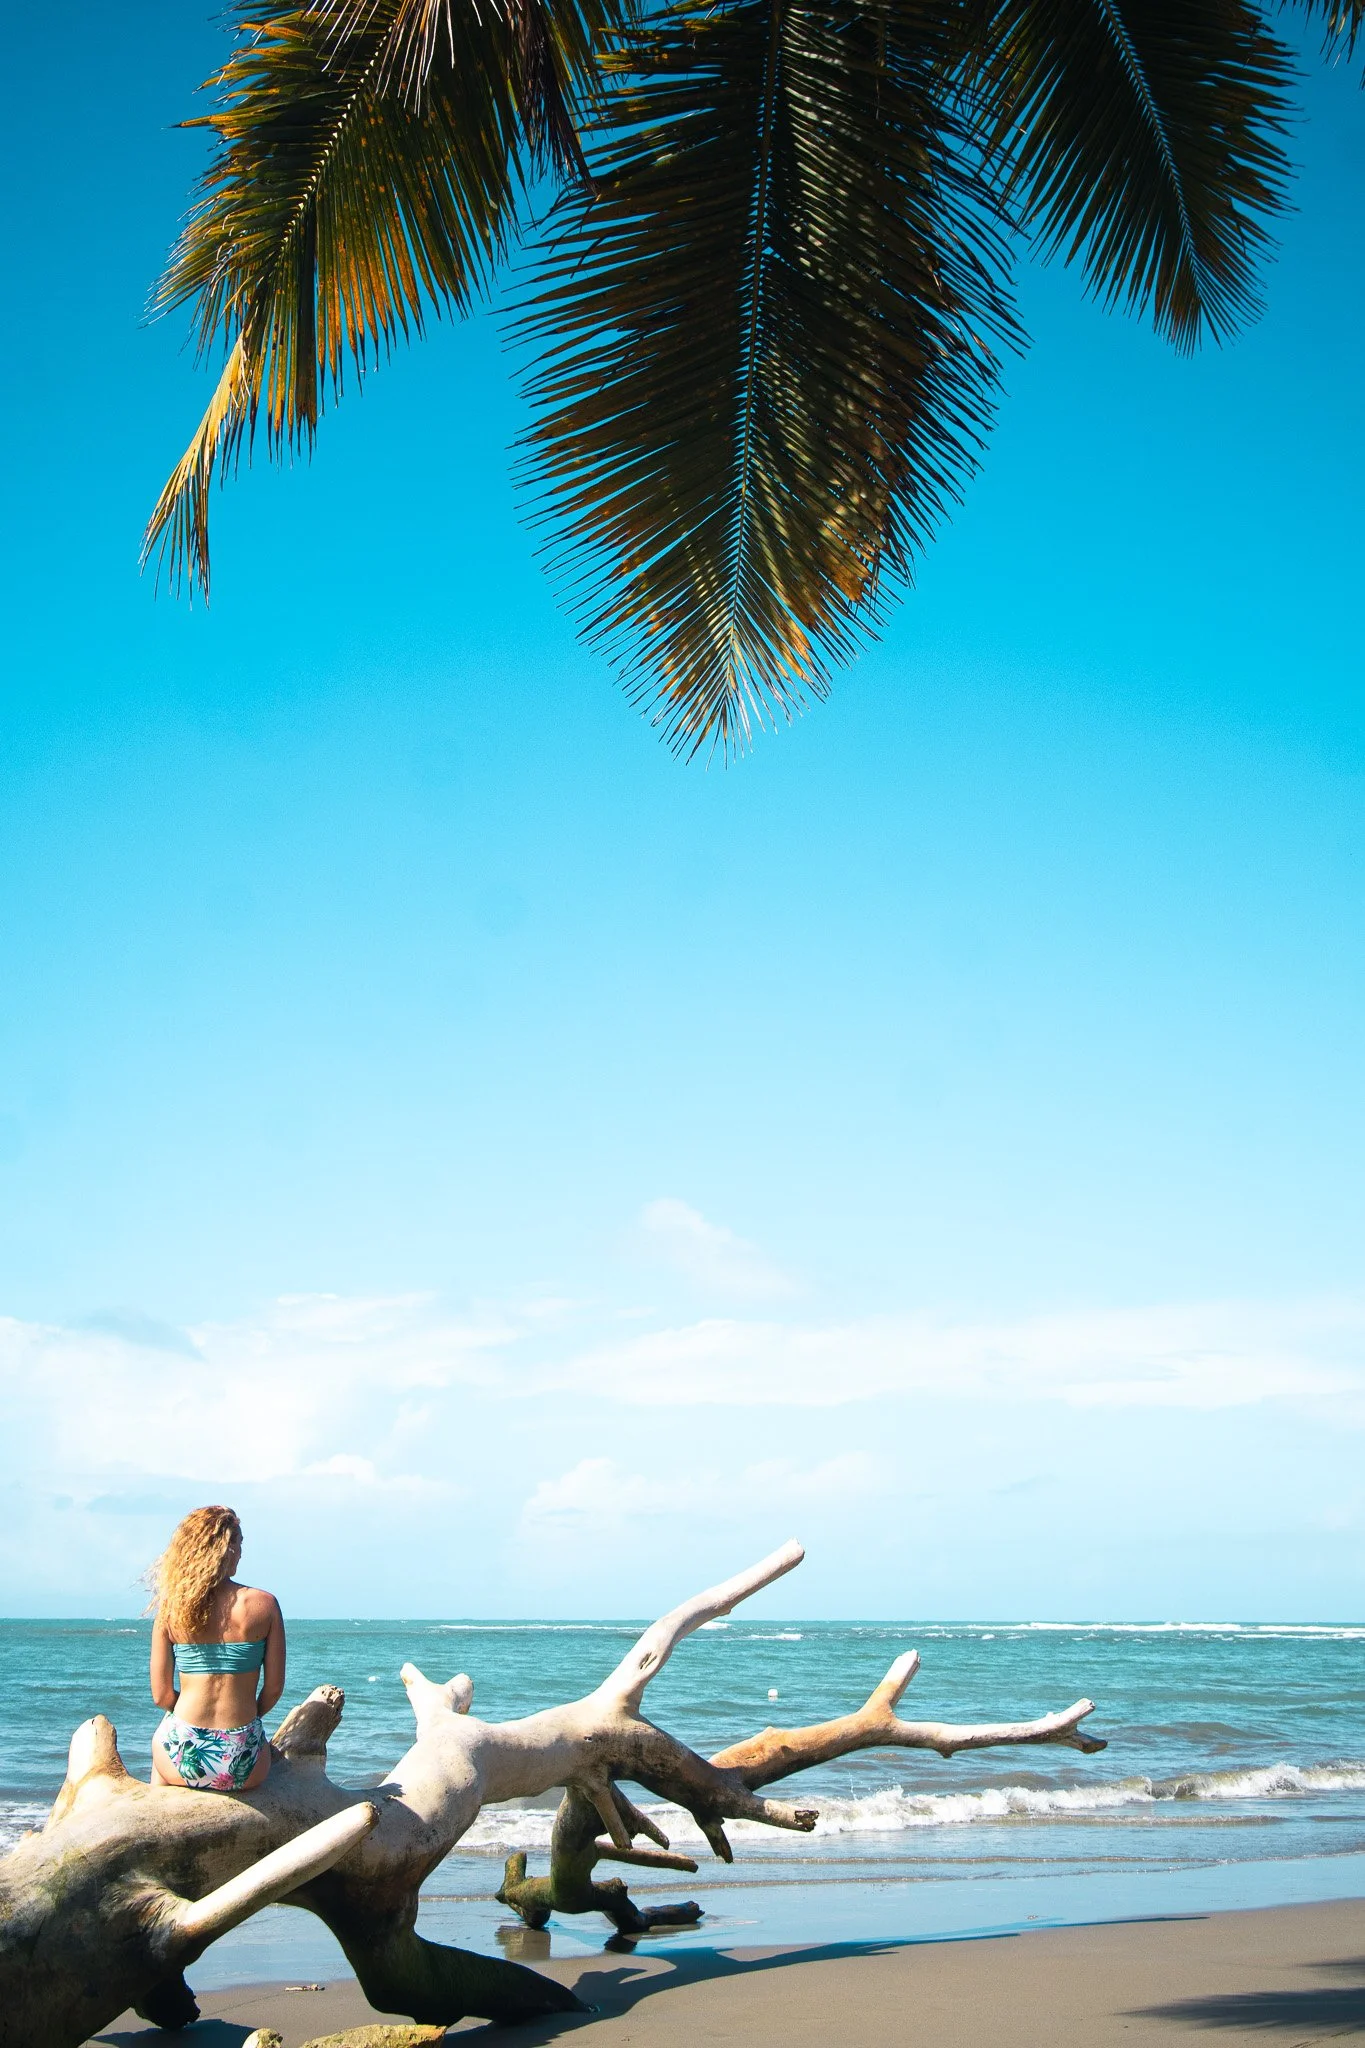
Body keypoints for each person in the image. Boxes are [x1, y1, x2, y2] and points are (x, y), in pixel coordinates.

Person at [147, 1505, 285, 1792]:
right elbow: (273, 1690)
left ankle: (157, 1815)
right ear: (226, 1548)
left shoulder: (173, 1608)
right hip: (242, 1763)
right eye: (239, 1544)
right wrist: (245, 1721)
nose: (241, 1552)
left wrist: (192, 1726)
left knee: (164, 1735)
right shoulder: (264, 1605)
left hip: (183, 1755)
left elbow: (161, 1696)